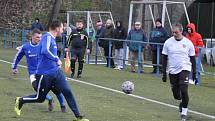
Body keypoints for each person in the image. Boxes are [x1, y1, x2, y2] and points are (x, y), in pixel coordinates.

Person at [14, 20, 89, 121]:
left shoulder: (52, 39)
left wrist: (56, 64)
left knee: (67, 91)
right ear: (57, 28)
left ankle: (78, 116)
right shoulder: (47, 37)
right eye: (62, 28)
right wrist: (56, 58)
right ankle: (21, 101)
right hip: (44, 75)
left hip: (56, 73)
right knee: (40, 98)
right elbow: (45, 51)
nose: (63, 30)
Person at [12, 29, 66, 112]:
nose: (40, 39)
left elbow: (52, 55)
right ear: (32, 37)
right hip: (33, 73)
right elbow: (18, 56)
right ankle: (50, 99)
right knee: (37, 88)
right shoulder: (25, 47)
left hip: (46, 72)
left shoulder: (43, 46)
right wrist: (14, 67)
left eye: (41, 37)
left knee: (57, 89)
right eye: (37, 37)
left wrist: (57, 66)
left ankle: (63, 106)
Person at [162, 23, 196, 121]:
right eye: (173, 32)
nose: (174, 34)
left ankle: (184, 113)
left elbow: (193, 59)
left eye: (176, 32)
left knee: (184, 89)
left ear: (181, 31)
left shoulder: (188, 43)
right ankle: (182, 102)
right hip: (172, 71)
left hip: (184, 68)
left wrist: (194, 73)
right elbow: (164, 58)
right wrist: (164, 73)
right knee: (177, 96)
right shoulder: (168, 42)